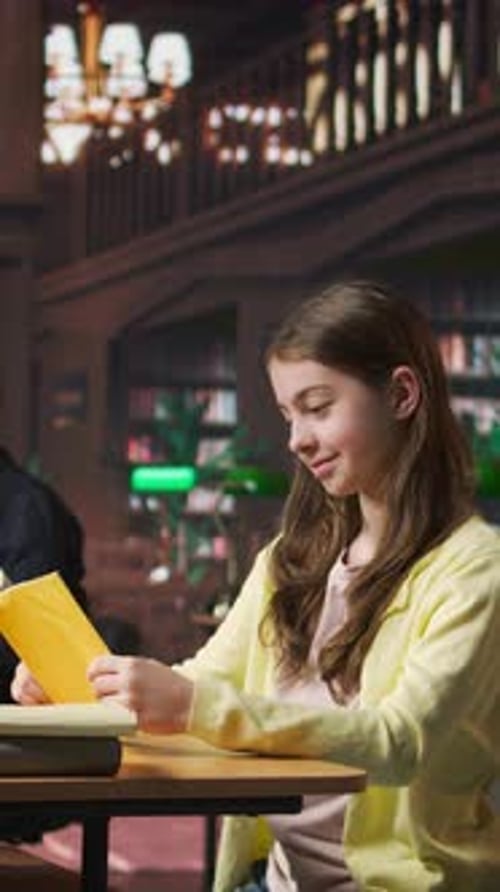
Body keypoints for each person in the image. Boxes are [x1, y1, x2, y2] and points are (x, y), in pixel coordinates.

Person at [13, 281, 500, 890]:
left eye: (318, 407)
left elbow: (398, 742)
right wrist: (85, 692)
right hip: (271, 879)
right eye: (288, 415)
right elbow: (207, 678)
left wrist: (191, 705)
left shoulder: (477, 569)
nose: (297, 439)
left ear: (401, 394)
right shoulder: (293, 559)